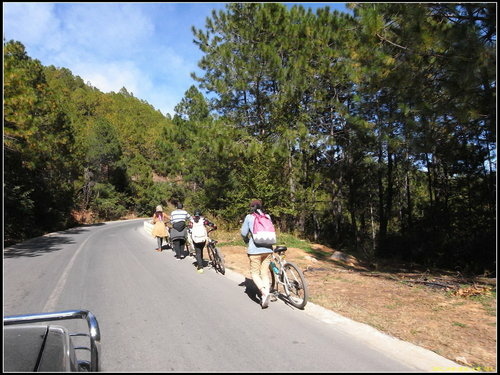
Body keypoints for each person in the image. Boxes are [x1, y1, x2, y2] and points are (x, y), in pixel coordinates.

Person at [240, 199, 274, 308]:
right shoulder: (267, 216)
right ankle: (266, 292)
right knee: (264, 272)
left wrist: (246, 240)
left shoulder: (249, 217)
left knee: (255, 273)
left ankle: (264, 292)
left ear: (252, 207)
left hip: (255, 250)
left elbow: (244, 233)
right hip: (268, 249)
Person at [189, 209, 217, 274]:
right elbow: (210, 224)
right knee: (201, 249)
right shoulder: (204, 220)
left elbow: (190, 228)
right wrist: (214, 226)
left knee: (198, 252)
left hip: (195, 238)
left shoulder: (191, 221)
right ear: (200, 214)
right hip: (203, 238)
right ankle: (201, 261)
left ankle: (200, 267)